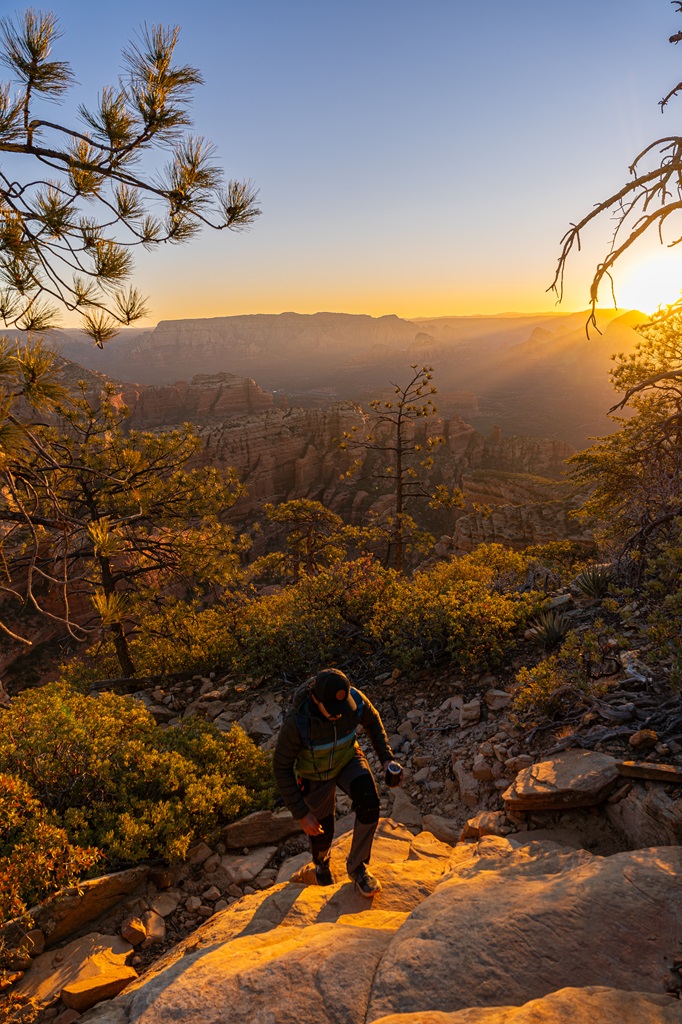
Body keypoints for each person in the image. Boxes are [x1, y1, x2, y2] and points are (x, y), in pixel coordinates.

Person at [273, 667, 400, 897]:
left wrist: (386, 759)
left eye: (342, 709)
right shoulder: (298, 722)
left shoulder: (355, 701)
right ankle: (321, 862)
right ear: (315, 699)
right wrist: (301, 813)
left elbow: (374, 723)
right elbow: (281, 767)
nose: (338, 714)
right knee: (321, 831)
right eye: (332, 710)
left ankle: (358, 868)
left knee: (369, 803)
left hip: (347, 760)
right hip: (314, 775)